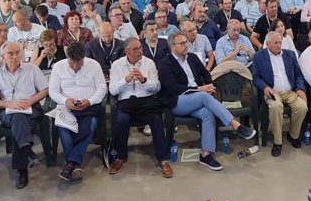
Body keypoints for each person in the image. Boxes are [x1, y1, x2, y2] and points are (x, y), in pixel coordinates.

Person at [157, 33, 256, 172]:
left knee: (207, 113)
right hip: (176, 101)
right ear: (172, 47)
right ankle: (236, 125)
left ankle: (206, 154)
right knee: (204, 97)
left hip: (195, 99)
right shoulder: (165, 63)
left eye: (186, 42)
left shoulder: (191, 57)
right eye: (182, 43)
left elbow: (205, 73)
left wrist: (210, 86)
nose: (186, 45)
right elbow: (173, 88)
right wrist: (200, 89)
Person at [107, 38, 172, 178]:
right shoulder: (117, 65)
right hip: (126, 102)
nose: (140, 51)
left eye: (140, 48)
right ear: (126, 51)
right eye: (135, 49)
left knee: (156, 120)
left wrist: (144, 80)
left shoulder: (149, 63)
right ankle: (120, 157)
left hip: (147, 101)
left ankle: (163, 159)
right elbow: (112, 90)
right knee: (121, 121)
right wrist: (125, 80)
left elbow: (157, 87)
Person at [0, 42, 49, 189]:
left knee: (19, 122)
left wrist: (30, 101)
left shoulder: (32, 69)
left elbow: (45, 90)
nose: (14, 57)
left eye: (17, 53)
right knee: (18, 119)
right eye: (10, 54)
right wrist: (11, 104)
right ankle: (27, 154)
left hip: (31, 108)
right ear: (3, 57)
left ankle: (23, 167)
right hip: (8, 110)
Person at [48, 42, 107, 181]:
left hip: (89, 106)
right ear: (67, 58)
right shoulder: (58, 67)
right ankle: (75, 164)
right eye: (72, 63)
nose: (75, 67)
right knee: (64, 129)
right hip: (67, 106)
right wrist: (65, 101)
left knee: (89, 126)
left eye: (78, 64)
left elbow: (102, 88)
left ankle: (70, 164)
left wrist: (90, 101)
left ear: (83, 58)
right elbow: (53, 91)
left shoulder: (93, 65)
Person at [252, 31, 308, 157]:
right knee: (276, 107)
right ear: (267, 44)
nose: (279, 45)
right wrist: (264, 87)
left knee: (302, 107)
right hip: (273, 91)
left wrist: (300, 88)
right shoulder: (259, 56)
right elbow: (256, 78)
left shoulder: (290, 54)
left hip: (290, 91)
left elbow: (298, 74)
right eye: (275, 43)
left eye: (280, 42)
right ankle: (278, 142)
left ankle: (293, 135)